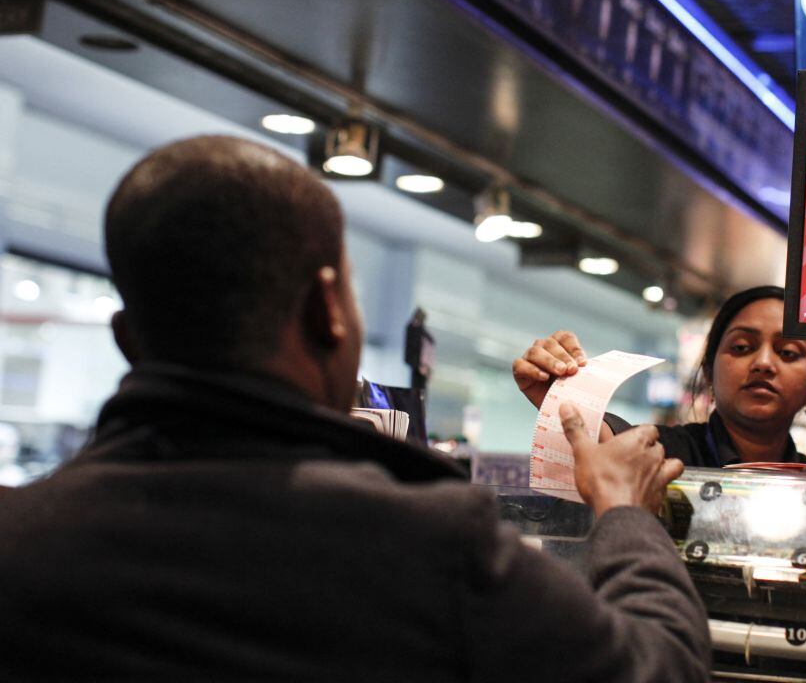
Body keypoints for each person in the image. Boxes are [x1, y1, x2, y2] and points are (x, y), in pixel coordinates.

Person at [0, 136, 709, 681]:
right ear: (326, 310)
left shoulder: (21, 535)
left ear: (126, 338)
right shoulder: (429, 545)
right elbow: (657, 670)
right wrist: (626, 517)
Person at [513, 286, 806, 467]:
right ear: (708, 372)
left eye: (788, 352)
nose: (763, 363)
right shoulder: (663, 452)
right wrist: (565, 396)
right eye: (742, 347)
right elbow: (613, 444)